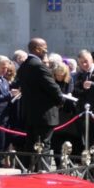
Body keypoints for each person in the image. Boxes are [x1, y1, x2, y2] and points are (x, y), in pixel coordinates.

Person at [16, 37, 64, 167]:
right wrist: (61, 101)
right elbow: (53, 88)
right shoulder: (38, 66)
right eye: (44, 48)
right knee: (44, 145)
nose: (46, 50)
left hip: (30, 114)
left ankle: (28, 171)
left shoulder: (24, 65)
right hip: (44, 114)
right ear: (37, 49)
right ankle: (42, 172)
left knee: (31, 145)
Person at [49, 62, 83, 166]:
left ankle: (70, 163)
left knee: (70, 140)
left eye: (62, 75)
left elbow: (70, 92)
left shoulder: (69, 80)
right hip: (57, 113)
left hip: (68, 114)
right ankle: (58, 164)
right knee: (57, 142)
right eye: (57, 75)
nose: (59, 77)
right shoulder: (52, 81)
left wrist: (66, 96)